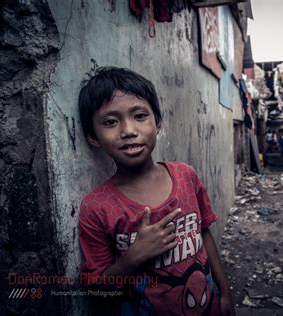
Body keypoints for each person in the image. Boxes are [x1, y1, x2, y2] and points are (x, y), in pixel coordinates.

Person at [77, 67, 234, 315]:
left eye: (140, 116)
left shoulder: (186, 176)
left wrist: (224, 293)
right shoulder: (96, 207)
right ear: (93, 137)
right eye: (110, 122)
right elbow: (96, 290)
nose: (128, 130)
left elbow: (204, 233)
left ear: (157, 123)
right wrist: (132, 257)